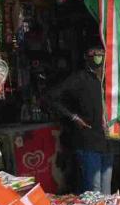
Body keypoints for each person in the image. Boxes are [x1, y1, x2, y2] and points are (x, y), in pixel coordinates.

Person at [48, 47, 113, 194]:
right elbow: (52, 97)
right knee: (94, 191)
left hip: (108, 142)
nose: (99, 57)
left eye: (101, 55)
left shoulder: (109, 81)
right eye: (95, 55)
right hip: (88, 142)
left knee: (106, 191)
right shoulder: (80, 79)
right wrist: (74, 117)